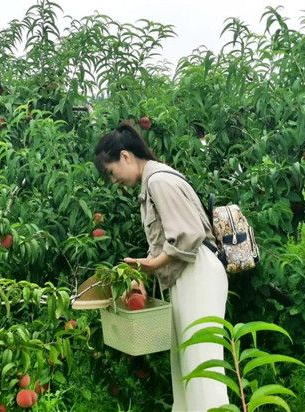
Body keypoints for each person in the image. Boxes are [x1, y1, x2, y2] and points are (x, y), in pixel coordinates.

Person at [94, 123, 230, 411]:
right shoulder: (153, 181)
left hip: (199, 272)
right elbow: (166, 241)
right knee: (185, 365)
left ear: (126, 156)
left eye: (111, 171)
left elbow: (189, 233)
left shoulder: (158, 181)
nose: (113, 180)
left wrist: (151, 264)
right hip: (188, 273)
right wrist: (144, 271)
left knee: (202, 365)